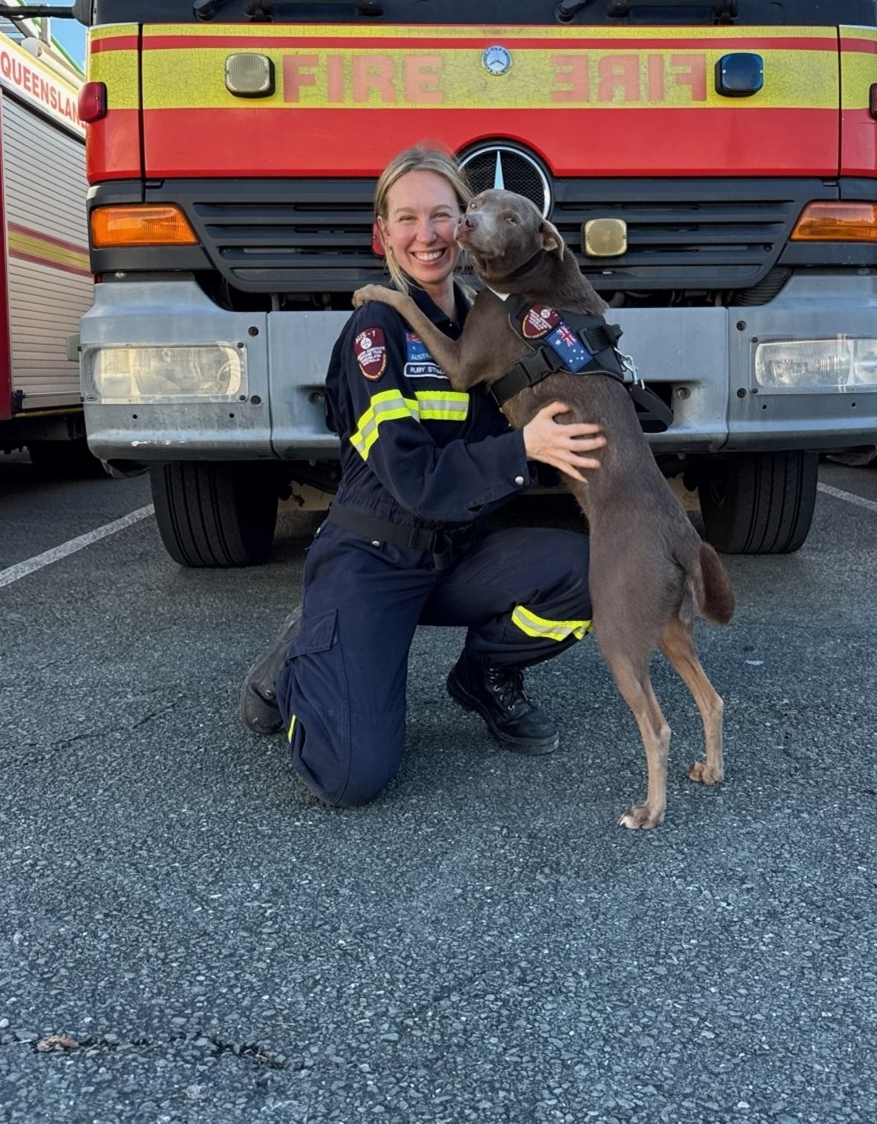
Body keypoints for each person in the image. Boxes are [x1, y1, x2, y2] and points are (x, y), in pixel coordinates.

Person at [239, 144, 606, 807]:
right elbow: (411, 477)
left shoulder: (491, 323)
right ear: (383, 234)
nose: (427, 235)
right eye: (407, 219)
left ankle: (482, 678)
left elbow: (539, 408)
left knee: (587, 569)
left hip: (456, 555)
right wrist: (524, 448)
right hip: (375, 554)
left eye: (443, 215)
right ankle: (300, 657)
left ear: (465, 226)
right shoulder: (374, 332)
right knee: (351, 776)